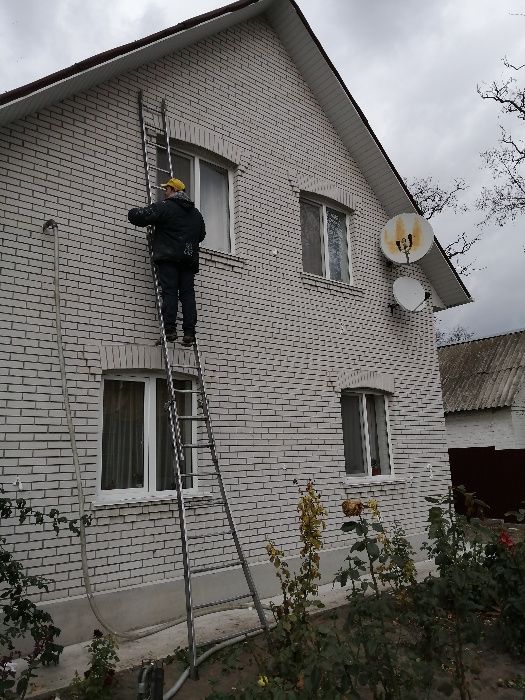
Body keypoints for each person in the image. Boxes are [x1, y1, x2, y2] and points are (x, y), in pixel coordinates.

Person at [128, 178, 206, 346]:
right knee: (187, 295)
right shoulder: (196, 214)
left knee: (169, 292)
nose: (164, 192)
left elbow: (140, 217)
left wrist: (132, 211)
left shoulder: (166, 206)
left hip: (169, 258)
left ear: (173, 190)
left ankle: (170, 330)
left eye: (166, 189)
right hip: (188, 259)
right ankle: (189, 333)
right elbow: (201, 235)